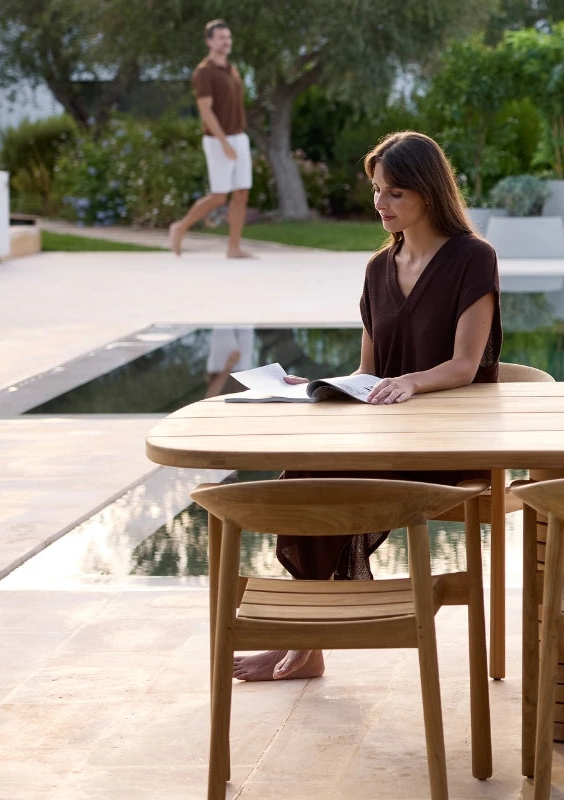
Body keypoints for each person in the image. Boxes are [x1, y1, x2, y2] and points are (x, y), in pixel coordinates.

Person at [232, 131, 502, 681]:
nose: (380, 203)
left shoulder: (473, 259)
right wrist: (317, 383)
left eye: (395, 192)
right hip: (386, 434)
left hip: (447, 441)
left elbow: (466, 364)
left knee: (313, 479)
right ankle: (305, 640)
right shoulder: (379, 269)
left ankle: (304, 641)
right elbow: (367, 371)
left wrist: (413, 383)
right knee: (302, 478)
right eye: (377, 190)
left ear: (429, 192)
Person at [168, 19, 255, 259]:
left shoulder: (232, 69)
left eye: (228, 37)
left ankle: (233, 247)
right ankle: (180, 227)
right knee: (219, 196)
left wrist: (237, 139)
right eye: (220, 37)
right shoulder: (204, 71)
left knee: (241, 192)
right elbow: (206, 111)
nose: (226, 41)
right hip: (218, 140)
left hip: (239, 136)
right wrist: (224, 142)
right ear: (209, 41)